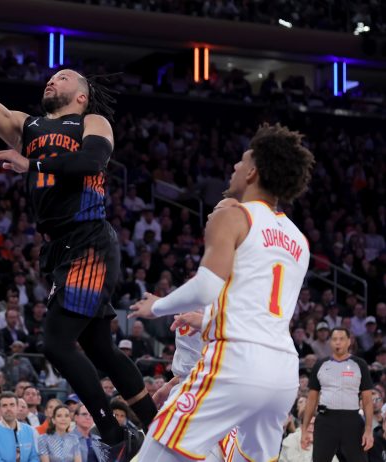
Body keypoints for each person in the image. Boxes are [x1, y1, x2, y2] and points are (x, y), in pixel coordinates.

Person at [0, 23, 155, 450]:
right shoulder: (28, 127)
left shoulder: (92, 121)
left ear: (81, 95)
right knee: (99, 348)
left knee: (56, 342)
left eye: (63, 77)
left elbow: (91, 163)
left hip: (90, 238)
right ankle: (159, 426)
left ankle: (114, 434)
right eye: (51, 76)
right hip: (59, 246)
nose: (52, 79)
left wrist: (32, 165)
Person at [130, 123, 315, 461]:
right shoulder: (299, 240)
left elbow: (206, 287)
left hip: (237, 361)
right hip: (284, 373)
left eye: (242, 161)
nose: (235, 167)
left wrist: (156, 306)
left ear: (253, 172)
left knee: (156, 450)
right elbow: (254, 306)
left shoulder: (233, 215)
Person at [301, 327, 374, 462]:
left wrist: (369, 430)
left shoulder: (360, 364)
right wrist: (304, 429)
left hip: (352, 420)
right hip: (326, 420)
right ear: (330, 342)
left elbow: (368, 401)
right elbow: (311, 400)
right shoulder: (320, 365)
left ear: (349, 341)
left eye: (341, 339)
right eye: (334, 339)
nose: (338, 342)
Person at [0, 392, 39, 462]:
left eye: (12, 405)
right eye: (4, 405)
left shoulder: (29, 430)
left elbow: (34, 457)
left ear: (17, 407)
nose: (8, 409)